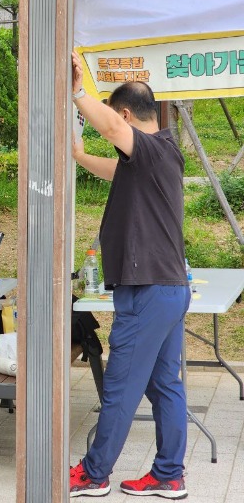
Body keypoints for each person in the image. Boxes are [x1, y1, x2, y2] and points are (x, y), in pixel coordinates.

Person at [69, 51, 191, 499]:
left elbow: (112, 130)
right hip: (169, 288)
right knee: (164, 386)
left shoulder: (153, 147)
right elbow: (109, 167)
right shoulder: (155, 159)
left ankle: (93, 473)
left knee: (120, 385)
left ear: (125, 113)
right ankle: (168, 475)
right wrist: (79, 155)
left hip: (148, 291)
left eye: (117, 122)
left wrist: (79, 90)